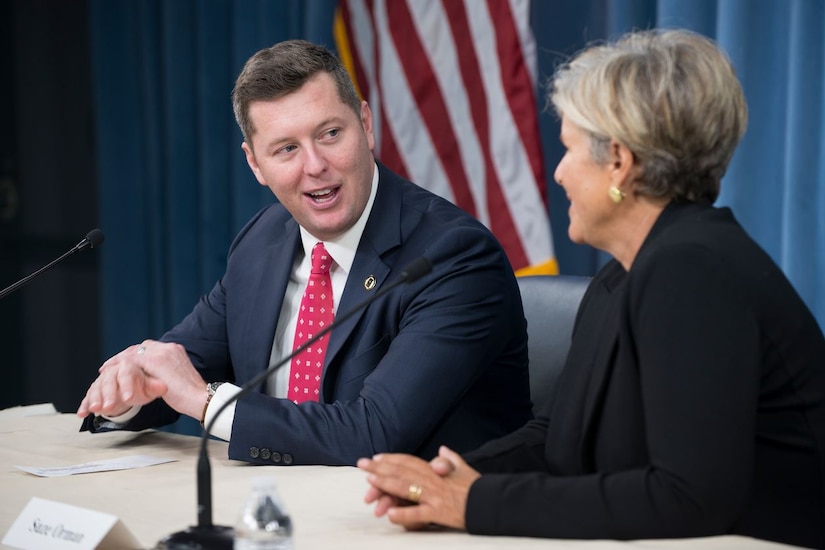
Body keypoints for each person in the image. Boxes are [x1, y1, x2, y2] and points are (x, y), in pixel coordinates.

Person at [358, 28, 825, 549]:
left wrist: (476, 503)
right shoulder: (626, 273)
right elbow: (558, 441)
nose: (558, 174)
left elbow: (688, 497)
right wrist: (444, 477)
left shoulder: (695, 274)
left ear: (619, 162)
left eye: (569, 150)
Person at [76, 39, 533, 466]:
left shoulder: (454, 256)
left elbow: (375, 433)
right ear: (256, 164)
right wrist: (131, 389)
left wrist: (206, 402)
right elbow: (181, 367)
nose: (314, 166)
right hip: (285, 511)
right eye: (286, 149)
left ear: (366, 125)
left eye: (331, 133)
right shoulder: (263, 241)